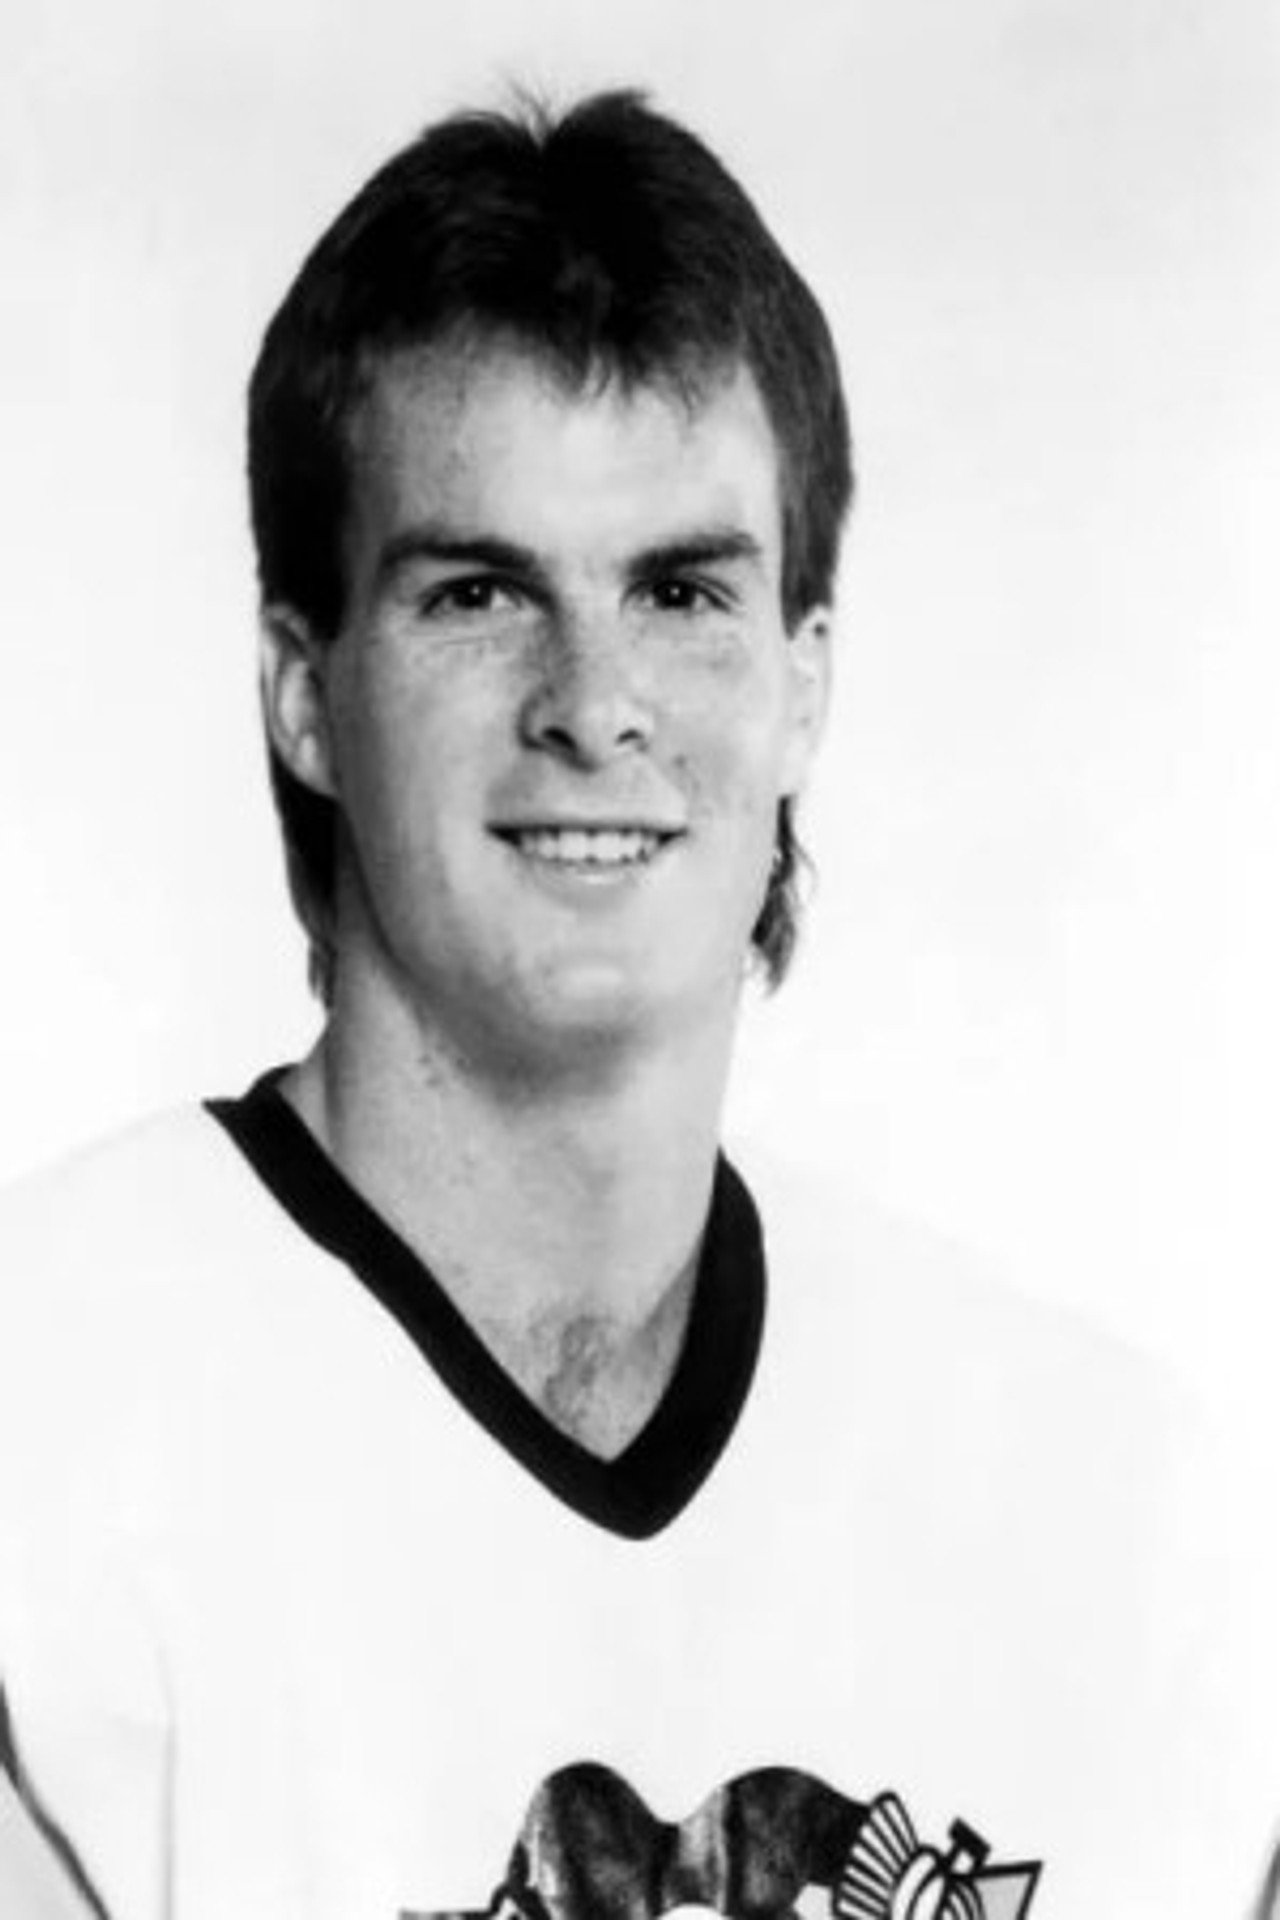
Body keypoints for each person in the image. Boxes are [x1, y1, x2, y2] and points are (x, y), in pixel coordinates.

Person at [0, 88, 1257, 1920]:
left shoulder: (1124, 1529)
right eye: (477, 592)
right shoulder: (43, 1435)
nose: (594, 703)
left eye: (679, 590)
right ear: (304, 692)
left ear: (803, 684)